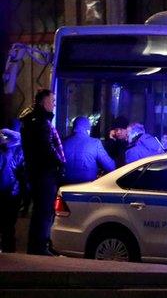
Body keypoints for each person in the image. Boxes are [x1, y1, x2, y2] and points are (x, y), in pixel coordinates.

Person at [19, 89, 65, 256]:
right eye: (52, 100)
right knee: (44, 211)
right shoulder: (39, 122)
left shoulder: (34, 120)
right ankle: (39, 247)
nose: (54, 103)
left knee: (42, 210)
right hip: (44, 173)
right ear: (43, 102)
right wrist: (59, 162)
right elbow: (47, 148)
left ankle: (39, 244)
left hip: (38, 172)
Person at [62, 116, 116, 185]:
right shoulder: (95, 143)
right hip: (87, 189)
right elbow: (110, 167)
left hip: (66, 188)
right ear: (88, 129)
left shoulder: (64, 142)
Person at [0, 128, 25, 253]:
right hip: (11, 192)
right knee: (9, 226)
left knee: (7, 226)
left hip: (8, 191)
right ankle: (9, 254)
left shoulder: (9, 150)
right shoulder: (15, 151)